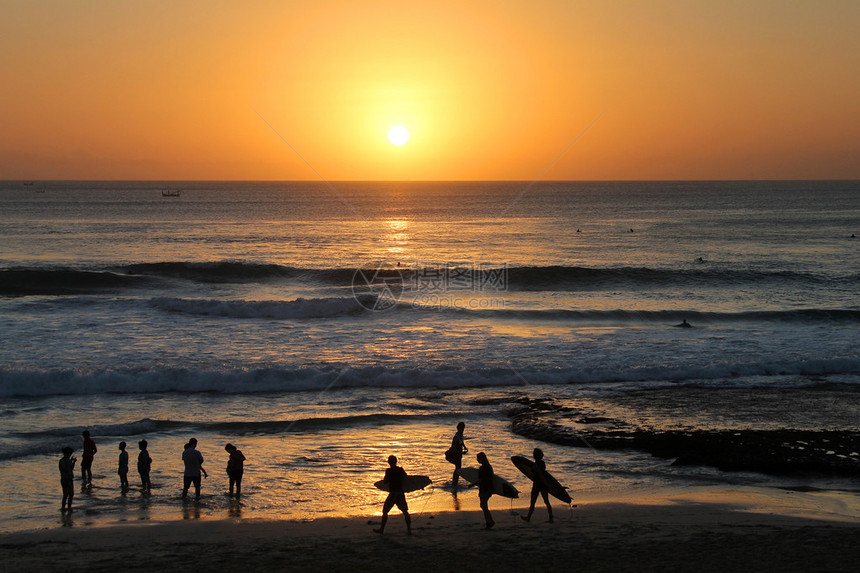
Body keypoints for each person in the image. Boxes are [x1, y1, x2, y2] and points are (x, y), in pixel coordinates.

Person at [373, 455, 412, 535]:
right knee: (405, 511)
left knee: (385, 511)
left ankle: (382, 530)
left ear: (389, 462)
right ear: (396, 461)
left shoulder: (388, 471)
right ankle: (409, 530)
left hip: (393, 493)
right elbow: (406, 480)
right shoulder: (401, 470)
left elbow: (385, 481)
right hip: (400, 493)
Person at [521, 448, 553, 523]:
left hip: (537, 485)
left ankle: (528, 518)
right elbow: (543, 474)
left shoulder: (536, 464)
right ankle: (550, 518)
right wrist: (546, 483)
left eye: (534, 454)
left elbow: (540, 474)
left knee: (533, 502)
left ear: (535, 455)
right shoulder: (542, 463)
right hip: (542, 484)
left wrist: (545, 483)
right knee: (546, 501)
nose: (533, 455)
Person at [476, 452, 495, 529]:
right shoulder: (489, 467)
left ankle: (490, 522)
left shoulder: (482, 468)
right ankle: (489, 521)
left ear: (481, 459)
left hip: (484, 488)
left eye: (478, 458)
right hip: (490, 488)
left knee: (483, 505)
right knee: (484, 505)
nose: (477, 460)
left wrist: (472, 485)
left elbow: (481, 480)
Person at [446, 422, 468, 486]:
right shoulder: (456, 438)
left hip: (459, 455)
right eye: (462, 428)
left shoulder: (460, 436)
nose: (463, 430)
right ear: (458, 428)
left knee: (458, 468)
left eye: (463, 428)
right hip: (455, 455)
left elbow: (462, 442)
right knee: (458, 469)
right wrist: (462, 452)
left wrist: (465, 447)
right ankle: (454, 483)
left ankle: (455, 482)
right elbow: (454, 449)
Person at [59, 447, 76, 511]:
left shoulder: (61, 460)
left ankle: (63, 507)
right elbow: (69, 468)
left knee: (65, 494)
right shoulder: (66, 460)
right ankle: (69, 507)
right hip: (68, 479)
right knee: (70, 494)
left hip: (63, 479)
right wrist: (73, 462)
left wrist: (71, 462)